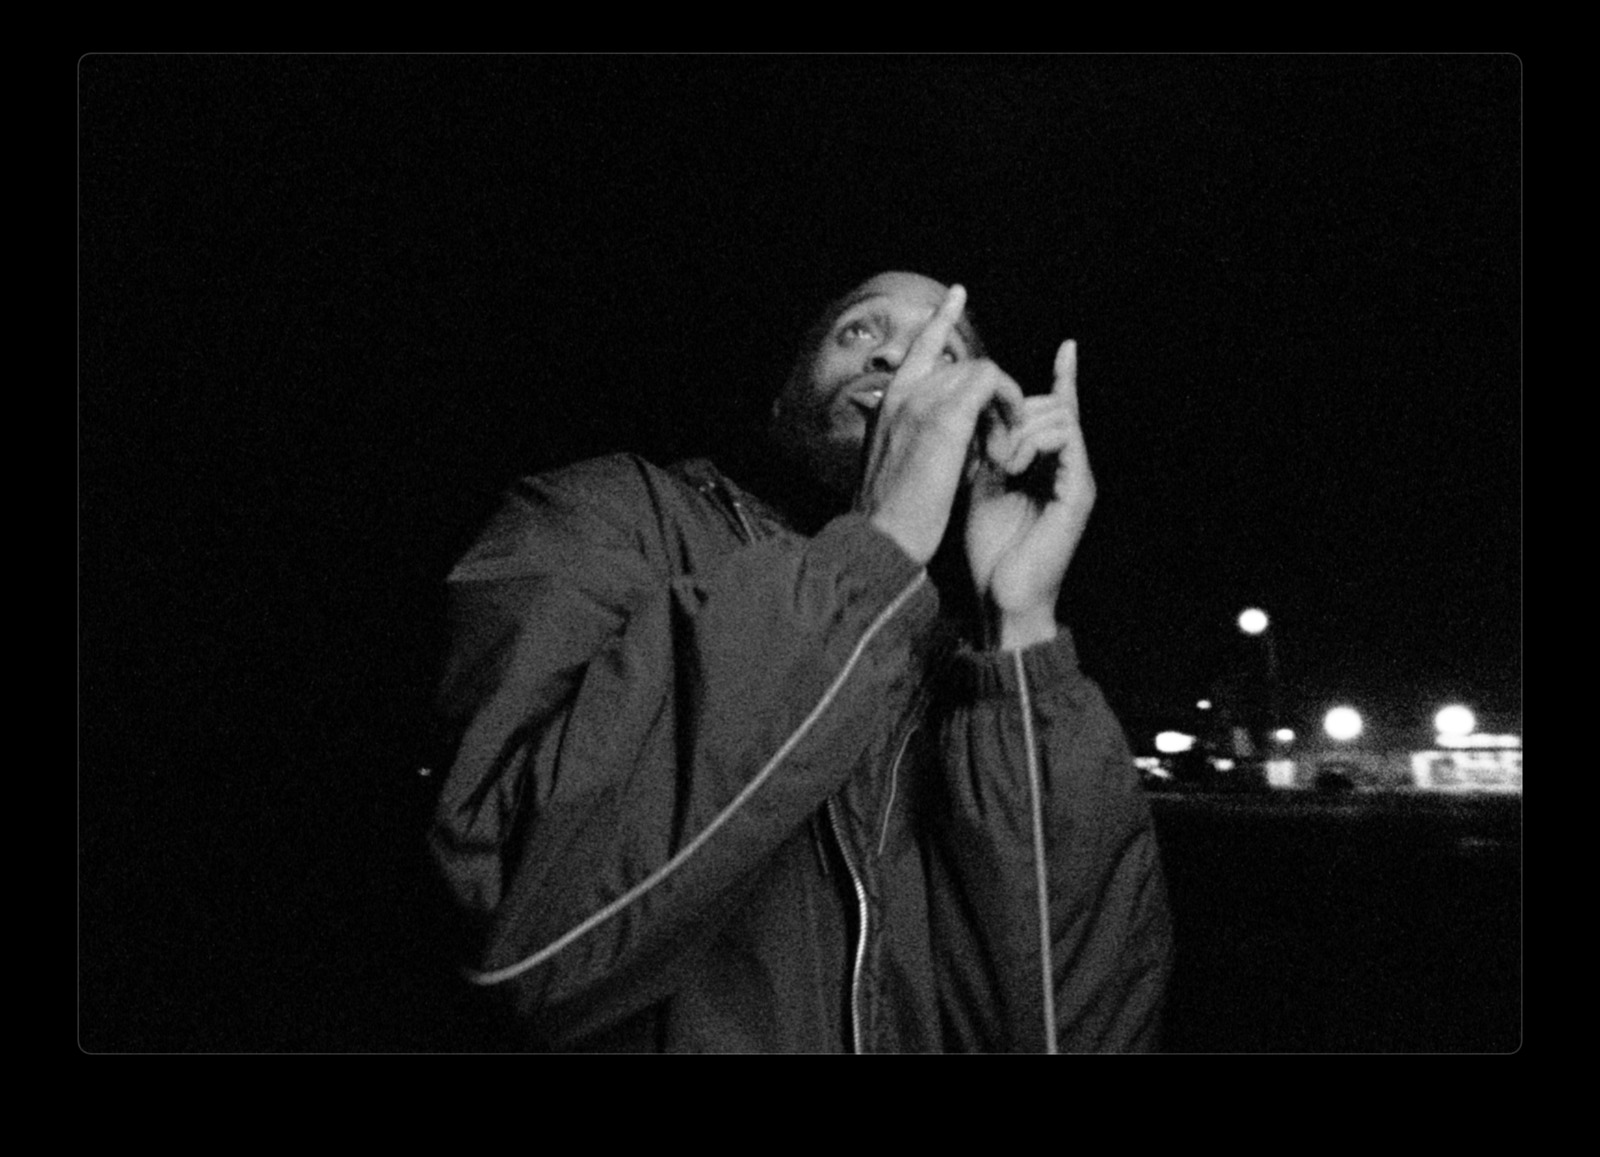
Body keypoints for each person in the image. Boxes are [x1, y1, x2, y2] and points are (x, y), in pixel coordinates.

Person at [429, 271, 1172, 1052]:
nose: (897, 355)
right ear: (783, 399)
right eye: (860, 330)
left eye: (942, 348)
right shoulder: (608, 515)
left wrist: (1020, 626)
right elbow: (518, 929)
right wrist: (878, 548)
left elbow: (1079, 1026)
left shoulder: (956, 674)